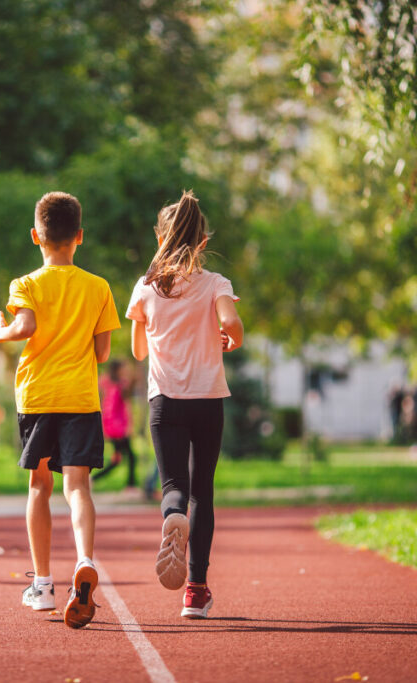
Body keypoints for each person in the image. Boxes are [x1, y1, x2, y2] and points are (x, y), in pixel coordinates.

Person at [0, 191, 119, 629]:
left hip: (39, 398)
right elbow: (102, 353)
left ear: (35, 236)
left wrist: (0, 332)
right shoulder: (99, 287)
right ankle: (85, 559)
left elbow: (25, 327)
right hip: (81, 399)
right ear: (79, 236)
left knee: (39, 486)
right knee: (78, 486)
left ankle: (42, 585)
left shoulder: (25, 284)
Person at [127, 190, 243, 619]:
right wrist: (231, 335)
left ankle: (171, 513)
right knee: (204, 492)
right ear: (203, 242)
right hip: (208, 400)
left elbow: (139, 351)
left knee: (174, 485)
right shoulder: (216, 284)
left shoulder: (145, 288)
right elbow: (230, 323)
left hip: (165, 402)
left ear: (161, 237)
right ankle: (195, 590)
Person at [92, 360, 138, 489]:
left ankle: (93, 479)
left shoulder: (105, 382)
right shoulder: (122, 385)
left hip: (110, 424)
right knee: (128, 457)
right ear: (118, 369)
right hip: (119, 426)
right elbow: (127, 405)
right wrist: (130, 425)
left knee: (118, 458)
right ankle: (131, 485)